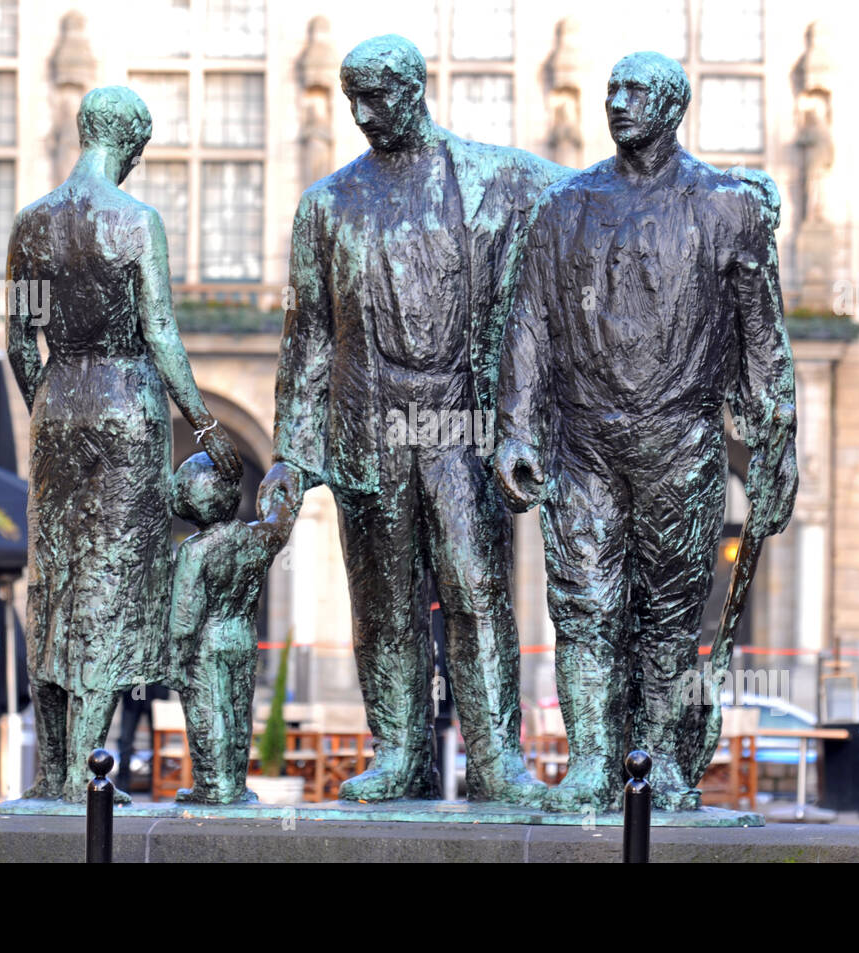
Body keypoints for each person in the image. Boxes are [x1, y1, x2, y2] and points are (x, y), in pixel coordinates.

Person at [258, 35, 569, 804]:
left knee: (474, 589)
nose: (363, 115)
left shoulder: (498, 177)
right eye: (351, 99)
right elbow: (308, 342)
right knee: (385, 600)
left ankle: (496, 756)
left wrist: (718, 194)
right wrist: (292, 455)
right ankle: (399, 748)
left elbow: (597, 194)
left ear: (416, 90)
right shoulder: (327, 205)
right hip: (370, 426)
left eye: (378, 97)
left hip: (457, 425)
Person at [494, 52, 797, 812]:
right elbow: (527, 322)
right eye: (612, 91)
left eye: (634, 92)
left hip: (681, 440)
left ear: (672, 107)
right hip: (585, 443)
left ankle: (660, 758)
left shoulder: (728, 206)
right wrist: (516, 431)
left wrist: (775, 438)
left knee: (669, 609)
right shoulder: (565, 206)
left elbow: (764, 335)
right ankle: (593, 761)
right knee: (584, 604)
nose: (617, 103)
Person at [7, 86, 241, 803]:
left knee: (54, 580)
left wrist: (45, 407)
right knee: (109, 584)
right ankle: (84, 771)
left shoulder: (31, 223)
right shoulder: (136, 221)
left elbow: (19, 341)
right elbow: (161, 331)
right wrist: (203, 423)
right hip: (126, 402)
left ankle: (50, 771)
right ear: (134, 145)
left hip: (58, 405)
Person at [169, 452, 295, 804]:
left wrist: (175, 660)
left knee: (210, 713)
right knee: (240, 711)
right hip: (243, 636)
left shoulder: (195, 551)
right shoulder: (255, 537)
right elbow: (279, 524)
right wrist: (281, 488)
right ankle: (236, 783)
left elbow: (184, 617)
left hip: (208, 641)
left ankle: (214, 785)